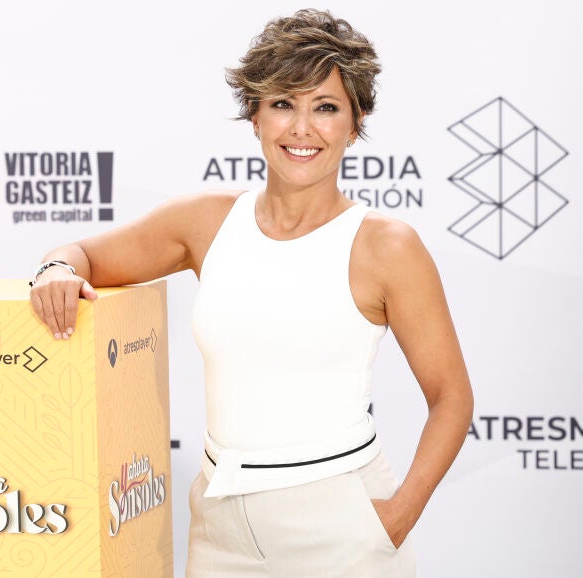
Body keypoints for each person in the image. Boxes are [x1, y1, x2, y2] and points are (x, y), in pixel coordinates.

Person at [29, 8, 473, 577]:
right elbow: (79, 255)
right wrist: (55, 272)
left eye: (326, 107)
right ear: (255, 115)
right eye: (283, 103)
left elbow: (451, 397)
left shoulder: (386, 246)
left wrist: (396, 517)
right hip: (219, 526)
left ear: (355, 122)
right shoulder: (205, 223)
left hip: (342, 522)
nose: (302, 128)